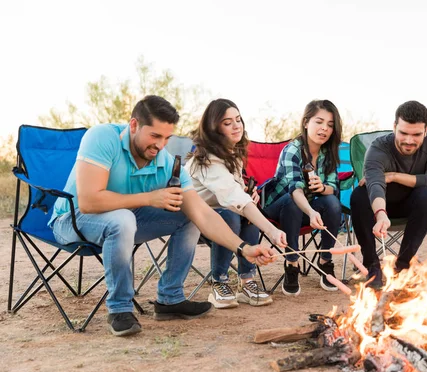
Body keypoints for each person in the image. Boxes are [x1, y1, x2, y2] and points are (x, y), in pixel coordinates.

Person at [50, 95, 275, 337]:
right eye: (155, 136)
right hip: (72, 219)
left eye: (167, 138)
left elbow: (202, 213)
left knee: (186, 215)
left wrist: (243, 248)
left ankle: (170, 298)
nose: (160, 146)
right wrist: (149, 198)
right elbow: (89, 201)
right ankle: (120, 309)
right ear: (134, 125)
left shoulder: (165, 161)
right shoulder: (103, 137)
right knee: (122, 219)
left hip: (126, 219)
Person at [185, 98, 287, 309]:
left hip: (224, 210)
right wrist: (272, 230)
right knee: (232, 213)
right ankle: (219, 282)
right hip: (195, 218)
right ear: (214, 128)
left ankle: (247, 282)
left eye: (238, 119)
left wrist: (249, 194)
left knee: (241, 213)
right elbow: (233, 197)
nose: (236, 125)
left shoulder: (233, 153)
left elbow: (237, 193)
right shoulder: (204, 160)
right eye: (227, 122)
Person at [350, 100, 427, 288]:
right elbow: (376, 184)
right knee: (358, 195)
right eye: (403, 133)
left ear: (426, 131)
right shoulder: (378, 148)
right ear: (394, 127)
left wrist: (395, 176)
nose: (409, 141)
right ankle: (372, 266)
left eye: (416, 134)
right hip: (379, 205)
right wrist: (380, 214)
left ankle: (402, 267)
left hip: (411, 204)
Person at [263, 99, 343, 296]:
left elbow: (333, 188)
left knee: (332, 203)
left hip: (307, 210)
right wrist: (311, 211)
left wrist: (322, 187)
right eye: (319, 122)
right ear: (306, 122)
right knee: (293, 202)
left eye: (330, 125)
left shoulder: (328, 152)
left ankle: (325, 260)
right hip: (279, 208)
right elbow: (295, 190)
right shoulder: (293, 150)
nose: (324, 128)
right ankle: (292, 263)